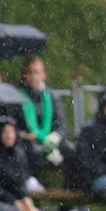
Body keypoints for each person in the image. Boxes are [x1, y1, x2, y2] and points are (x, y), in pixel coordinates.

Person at [14, 58, 65, 188]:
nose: (33, 77)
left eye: (37, 72)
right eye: (30, 73)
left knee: (70, 151)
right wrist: (22, 135)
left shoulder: (52, 97)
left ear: (44, 75)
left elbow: (60, 125)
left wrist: (54, 138)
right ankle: (30, 184)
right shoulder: (17, 97)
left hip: (49, 141)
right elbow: (12, 125)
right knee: (28, 151)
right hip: (27, 143)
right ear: (24, 75)